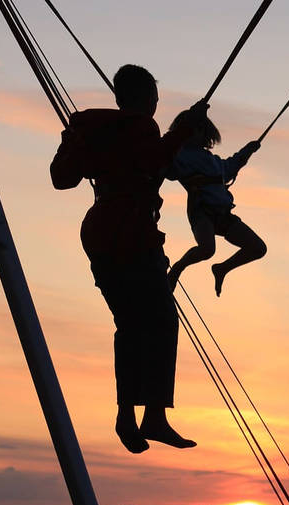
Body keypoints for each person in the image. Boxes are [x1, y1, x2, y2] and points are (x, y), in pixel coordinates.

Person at [50, 64, 208, 453]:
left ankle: (127, 415)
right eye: (155, 99)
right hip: (133, 235)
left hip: (101, 235)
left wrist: (72, 140)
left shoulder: (91, 130)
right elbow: (154, 162)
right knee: (160, 321)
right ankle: (152, 415)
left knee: (130, 326)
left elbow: (61, 178)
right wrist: (184, 131)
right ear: (148, 100)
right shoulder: (141, 128)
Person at [165, 115, 266, 296]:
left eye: (201, 131)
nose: (199, 134)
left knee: (258, 248)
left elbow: (230, 166)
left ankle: (222, 269)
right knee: (207, 249)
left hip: (223, 213)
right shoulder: (179, 155)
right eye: (196, 130)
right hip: (201, 211)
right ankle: (178, 268)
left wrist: (247, 151)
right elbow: (166, 168)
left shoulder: (213, 161)